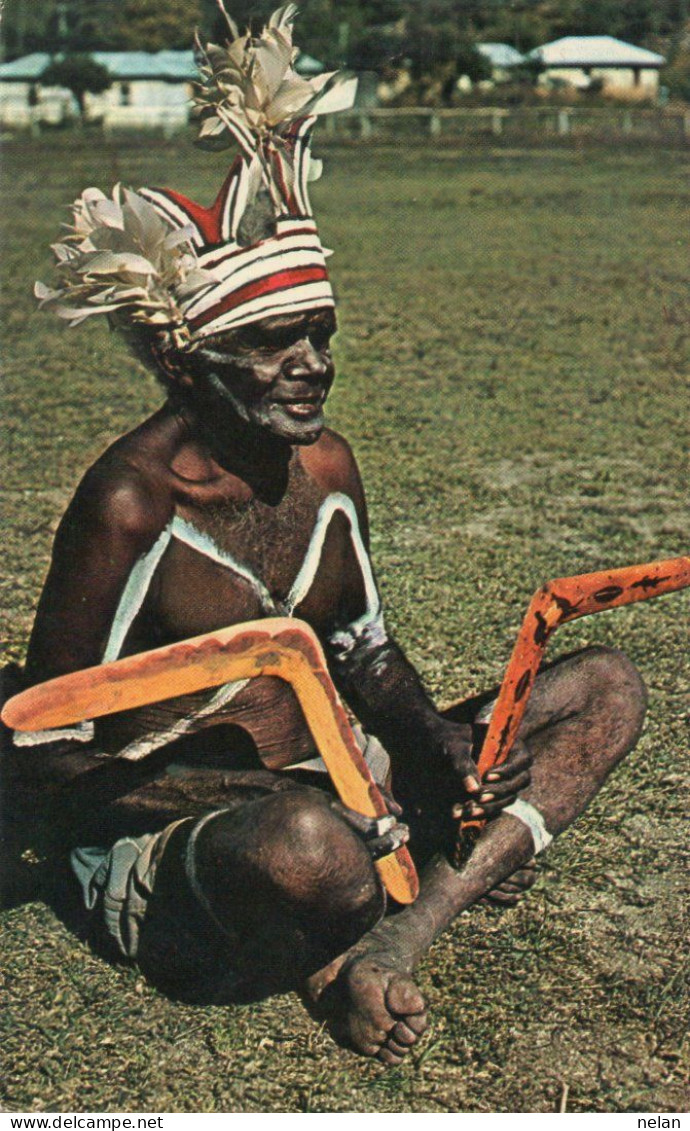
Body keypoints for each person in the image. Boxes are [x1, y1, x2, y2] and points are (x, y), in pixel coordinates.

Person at [8, 7, 648, 1065]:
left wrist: (438, 748)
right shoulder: (132, 505)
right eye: (272, 343)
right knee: (316, 850)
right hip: (190, 835)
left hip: (347, 788)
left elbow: (363, 650)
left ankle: (390, 943)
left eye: (320, 336)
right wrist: (278, 793)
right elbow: (40, 754)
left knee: (604, 688)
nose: (311, 363)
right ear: (186, 366)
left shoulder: (325, 466)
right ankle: (337, 935)